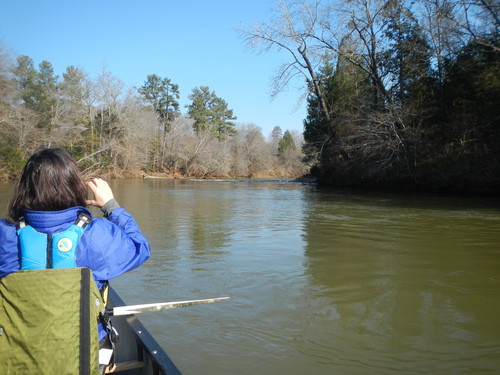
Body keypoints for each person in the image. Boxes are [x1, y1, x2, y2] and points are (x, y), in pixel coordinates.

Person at [0, 147, 150, 368]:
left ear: (24, 188)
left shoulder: (4, 235)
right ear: (74, 185)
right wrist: (111, 206)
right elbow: (140, 248)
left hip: (15, 357)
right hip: (83, 359)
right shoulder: (98, 235)